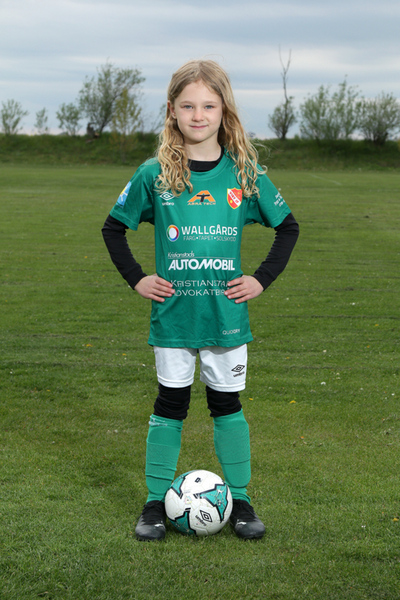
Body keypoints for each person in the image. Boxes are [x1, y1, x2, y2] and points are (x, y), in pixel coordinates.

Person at [102, 59, 299, 542]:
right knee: (170, 404)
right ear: (171, 110)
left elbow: (288, 227)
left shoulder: (245, 173)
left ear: (223, 110)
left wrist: (260, 280)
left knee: (226, 404)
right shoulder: (154, 174)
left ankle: (242, 500)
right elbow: (113, 228)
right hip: (174, 313)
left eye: (208, 106)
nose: (198, 115)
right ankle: (154, 503)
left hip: (225, 313)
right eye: (188, 106)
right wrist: (137, 279)